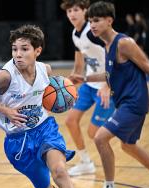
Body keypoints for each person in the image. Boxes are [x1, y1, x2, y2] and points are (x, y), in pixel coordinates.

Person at [0, 25, 81, 188]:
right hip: (18, 142)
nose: (18, 54)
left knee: (61, 173)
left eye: (24, 49)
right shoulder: (5, 76)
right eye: (15, 49)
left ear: (37, 51)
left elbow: (52, 94)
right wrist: (3, 110)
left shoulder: (45, 69)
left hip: (44, 129)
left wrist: (65, 98)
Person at [71, 1, 149, 188]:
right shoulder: (108, 45)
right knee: (128, 146)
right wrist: (84, 79)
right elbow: (109, 74)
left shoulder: (124, 43)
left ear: (109, 21)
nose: (92, 25)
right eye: (91, 21)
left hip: (134, 103)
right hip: (124, 103)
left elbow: (148, 67)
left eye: (97, 21)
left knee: (100, 138)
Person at [60, 0, 115, 176]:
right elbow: (79, 63)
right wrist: (73, 78)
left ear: (85, 11)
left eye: (76, 9)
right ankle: (85, 162)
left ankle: (122, 132)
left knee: (94, 133)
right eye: (69, 10)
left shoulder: (93, 32)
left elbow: (113, 54)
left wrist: (107, 84)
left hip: (106, 86)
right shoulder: (75, 34)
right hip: (89, 85)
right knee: (70, 121)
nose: (72, 14)